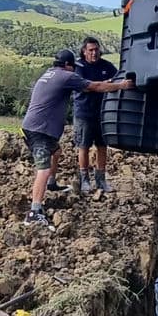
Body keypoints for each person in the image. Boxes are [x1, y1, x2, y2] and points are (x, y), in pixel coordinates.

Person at [21, 49, 131, 228]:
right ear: (68, 65)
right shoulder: (66, 76)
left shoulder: (49, 73)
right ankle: (34, 211)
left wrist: (105, 83)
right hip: (39, 130)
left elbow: (95, 84)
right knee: (43, 168)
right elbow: (94, 87)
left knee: (56, 152)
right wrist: (122, 86)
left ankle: (52, 184)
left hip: (35, 126)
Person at [73, 35, 119, 195]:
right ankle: (84, 180)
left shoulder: (106, 65)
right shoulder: (79, 67)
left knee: (102, 146)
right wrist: (108, 83)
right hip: (84, 113)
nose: (94, 53)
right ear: (84, 52)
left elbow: (118, 77)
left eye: (97, 49)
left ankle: (101, 180)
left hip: (103, 113)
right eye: (91, 50)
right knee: (83, 147)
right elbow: (87, 87)